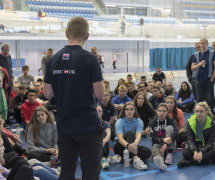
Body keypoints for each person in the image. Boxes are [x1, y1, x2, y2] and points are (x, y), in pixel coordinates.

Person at [44, 16, 105, 180]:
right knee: (91, 173)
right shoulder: (91, 59)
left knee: (67, 172)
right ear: (87, 36)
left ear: (66, 34)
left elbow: (47, 94)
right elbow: (100, 95)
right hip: (88, 125)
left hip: (65, 126)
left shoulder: (53, 59)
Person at [177, 102, 215, 168]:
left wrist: (201, 152)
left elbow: (210, 142)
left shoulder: (212, 124)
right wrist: (195, 152)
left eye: (201, 111)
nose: (199, 114)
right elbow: (190, 140)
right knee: (185, 153)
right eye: (197, 111)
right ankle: (213, 159)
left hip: (206, 147)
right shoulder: (190, 123)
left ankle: (190, 162)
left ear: (206, 112)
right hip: (195, 147)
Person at [112, 102, 152, 170]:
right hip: (119, 147)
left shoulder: (139, 121)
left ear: (135, 111)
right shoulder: (119, 121)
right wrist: (129, 146)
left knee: (148, 152)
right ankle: (135, 159)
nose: (129, 111)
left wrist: (135, 144)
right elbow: (120, 138)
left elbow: (139, 135)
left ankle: (122, 158)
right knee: (130, 133)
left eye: (131, 109)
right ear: (124, 111)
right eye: (127, 109)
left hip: (133, 145)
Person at [191, 38, 215, 113]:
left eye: (204, 43)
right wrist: (199, 64)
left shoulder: (213, 53)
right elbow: (192, 68)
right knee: (199, 99)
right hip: (199, 80)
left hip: (209, 80)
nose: (202, 45)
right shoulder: (195, 55)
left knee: (210, 99)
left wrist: (212, 78)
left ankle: (211, 114)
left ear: (207, 44)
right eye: (201, 43)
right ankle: (200, 114)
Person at [149, 103, 179, 171]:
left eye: (164, 111)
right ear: (156, 111)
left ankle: (169, 154)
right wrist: (163, 140)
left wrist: (166, 143)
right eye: (160, 111)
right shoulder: (152, 123)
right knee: (154, 147)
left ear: (167, 112)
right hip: (159, 144)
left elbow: (177, 132)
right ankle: (160, 161)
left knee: (170, 128)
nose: (161, 113)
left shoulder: (171, 121)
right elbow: (153, 137)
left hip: (170, 144)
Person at [97, 105, 111, 169]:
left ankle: (102, 159)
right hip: (93, 147)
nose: (98, 113)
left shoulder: (105, 124)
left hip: (103, 146)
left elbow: (109, 134)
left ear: (102, 113)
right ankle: (102, 159)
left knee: (103, 134)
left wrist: (103, 141)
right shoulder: (88, 124)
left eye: (100, 111)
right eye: (96, 111)